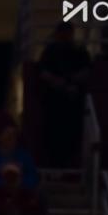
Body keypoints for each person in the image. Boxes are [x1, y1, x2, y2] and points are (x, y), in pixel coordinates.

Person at [38, 22, 91, 168]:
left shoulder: (80, 51)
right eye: (62, 32)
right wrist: (60, 83)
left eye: (68, 32)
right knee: (54, 137)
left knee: (73, 137)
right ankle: (55, 167)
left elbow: (87, 71)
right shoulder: (49, 51)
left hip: (74, 105)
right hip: (54, 105)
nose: (65, 36)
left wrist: (71, 82)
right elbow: (43, 72)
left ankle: (70, 166)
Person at [0, 125, 38, 192]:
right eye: (7, 133)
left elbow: (34, 177)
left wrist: (20, 181)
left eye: (14, 134)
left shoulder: (24, 155)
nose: (11, 137)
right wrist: (5, 183)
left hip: (21, 194)